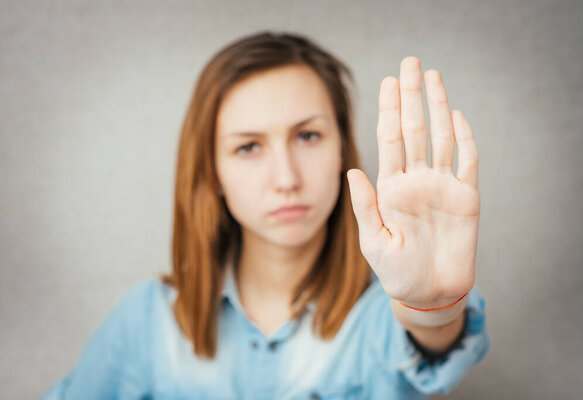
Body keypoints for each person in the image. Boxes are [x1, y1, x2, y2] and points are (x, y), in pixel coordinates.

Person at [41, 30, 490, 400]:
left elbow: (431, 338)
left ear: (341, 150)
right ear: (212, 171)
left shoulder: (380, 318)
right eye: (248, 147)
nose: (286, 178)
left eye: (308, 136)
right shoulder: (147, 320)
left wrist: (431, 305)